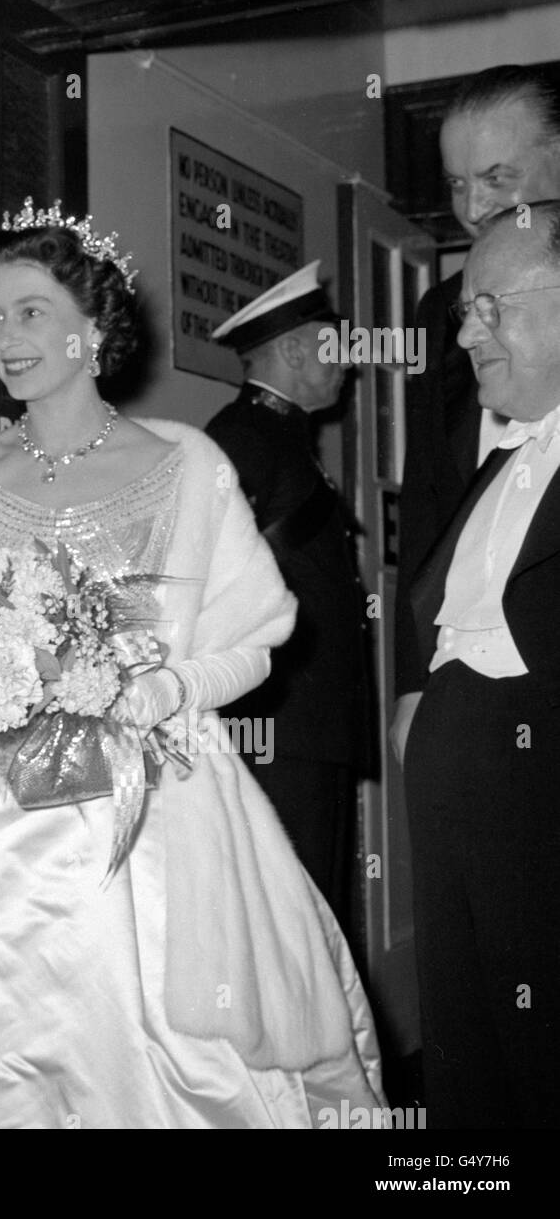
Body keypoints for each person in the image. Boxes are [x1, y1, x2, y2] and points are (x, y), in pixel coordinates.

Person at [0, 199, 384, 1128]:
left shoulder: (187, 463)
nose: (5, 338)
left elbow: (255, 637)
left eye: (32, 312)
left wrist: (169, 687)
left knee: (151, 1060)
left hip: (149, 815)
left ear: (94, 328)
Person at [405, 201, 560, 1130]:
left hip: (535, 793)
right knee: (469, 1062)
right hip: (458, 787)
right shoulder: (500, 457)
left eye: (489, 305)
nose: (467, 332)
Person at [392, 65, 560, 764]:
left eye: (497, 176)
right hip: (471, 681)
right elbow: (429, 506)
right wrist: (411, 684)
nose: (473, 206)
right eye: (458, 184)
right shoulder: (439, 319)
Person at [205, 263, 373, 931]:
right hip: (278, 725)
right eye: (334, 345)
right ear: (298, 350)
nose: (348, 364)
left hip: (306, 724)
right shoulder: (245, 438)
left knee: (315, 921)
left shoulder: (281, 437)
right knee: (292, 927)